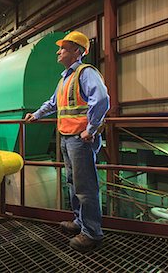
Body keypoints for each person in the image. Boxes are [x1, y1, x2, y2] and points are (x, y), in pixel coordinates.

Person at [25, 31, 109, 252]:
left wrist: (90, 129)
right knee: (73, 183)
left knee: (85, 186)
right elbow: (53, 103)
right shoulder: (65, 78)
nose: (58, 51)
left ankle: (92, 233)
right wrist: (36, 115)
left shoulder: (85, 72)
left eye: (63, 48)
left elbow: (101, 100)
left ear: (77, 51)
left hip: (81, 141)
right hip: (67, 139)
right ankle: (80, 223)